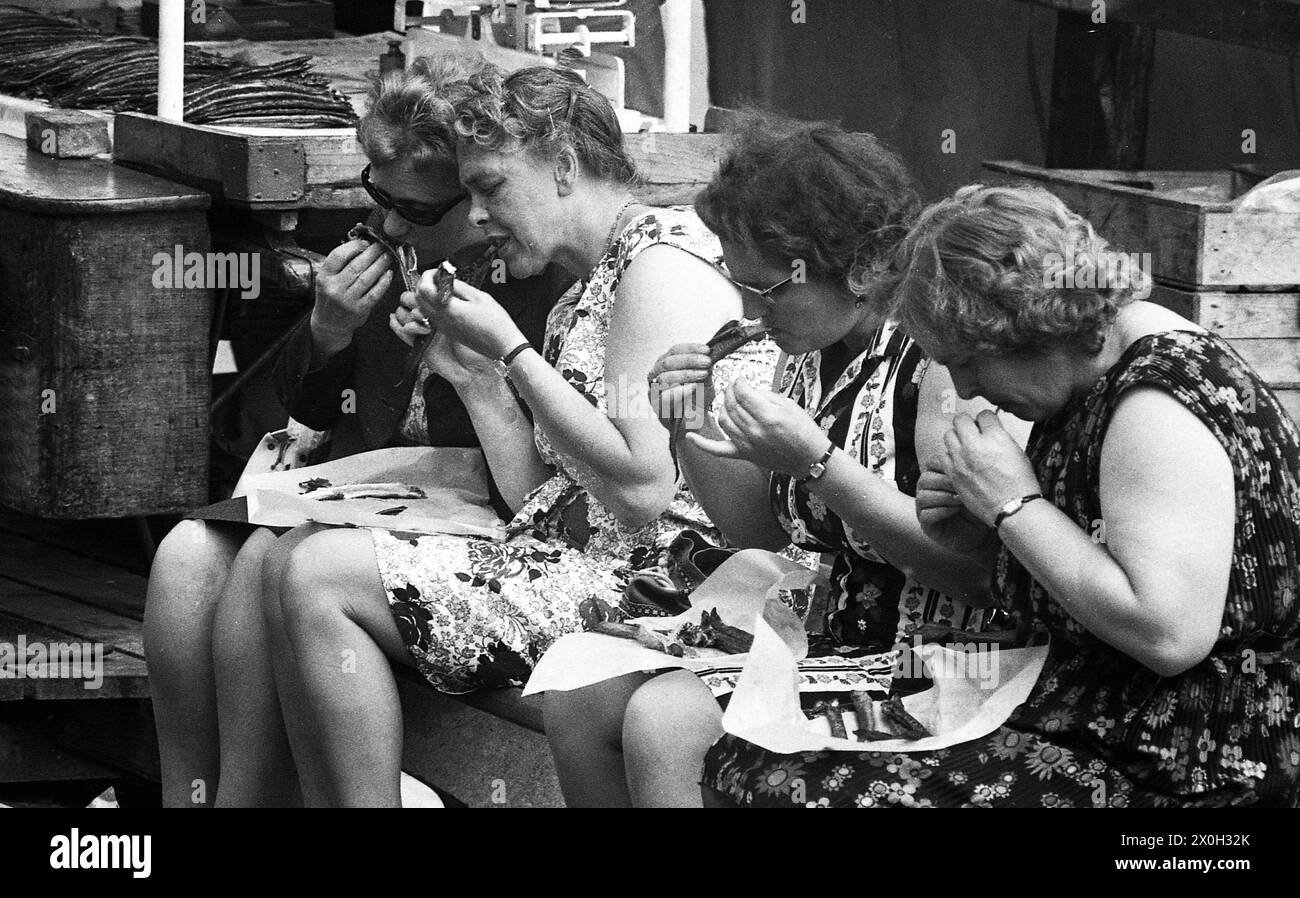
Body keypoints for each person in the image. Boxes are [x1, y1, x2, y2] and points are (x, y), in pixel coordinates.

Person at [259, 65, 774, 806]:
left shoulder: (658, 268)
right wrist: (471, 376)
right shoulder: (592, 281)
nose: (475, 217)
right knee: (291, 562)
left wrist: (512, 352)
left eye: (492, 188)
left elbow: (640, 488)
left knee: (319, 574)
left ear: (563, 167)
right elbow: (550, 499)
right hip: (587, 570)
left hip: (669, 592)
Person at [703, 184, 1300, 808]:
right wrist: (981, 532)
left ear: (1031, 329)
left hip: (1191, 758)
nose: (966, 387)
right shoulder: (1085, 367)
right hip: (1096, 715)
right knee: (748, 761)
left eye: (969, 362)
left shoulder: (1157, 401)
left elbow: (1168, 636)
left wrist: (1015, 507)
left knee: (794, 789)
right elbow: (1083, 563)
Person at [542, 112, 1019, 807]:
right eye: (741, 286)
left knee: (666, 719)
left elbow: (974, 574)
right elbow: (766, 537)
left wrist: (819, 463)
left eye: (767, 289)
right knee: (578, 692)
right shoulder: (808, 357)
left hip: (934, 661)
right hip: (829, 636)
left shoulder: (934, 362)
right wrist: (689, 423)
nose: (752, 313)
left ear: (860, 269)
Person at [142, 54, 570, 807]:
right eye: (379, 195)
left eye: (418, 210)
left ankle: (246, 798)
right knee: (184, 558)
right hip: (368, 494)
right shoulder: (382, 248)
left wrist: (471, 369)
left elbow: (546, 466)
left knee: (262, 568)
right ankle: (190, 796)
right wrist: (328, 331)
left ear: (474, 196)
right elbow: (289, 424)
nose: (390, 223)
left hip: (471, 514)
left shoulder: (526, 268)